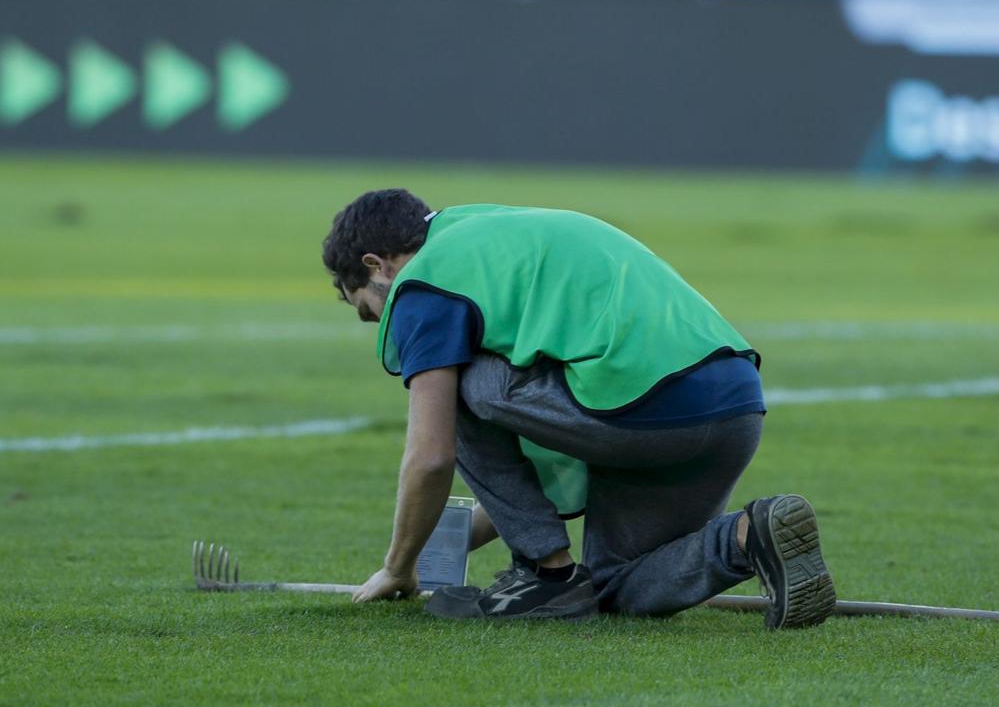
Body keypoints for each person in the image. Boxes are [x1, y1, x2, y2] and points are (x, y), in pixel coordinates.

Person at [321, 188, 835, 628]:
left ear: (376, 264)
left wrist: (398, 566)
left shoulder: (422, 285)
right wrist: (461, 536)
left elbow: (432, 455)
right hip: (731, 407)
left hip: (637, 407)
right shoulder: (487, 233)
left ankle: (547, 573)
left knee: (454, 384)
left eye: (369, 308)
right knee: (615, 589)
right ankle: (751, 535)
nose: (381, 319)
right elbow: (543, 433)